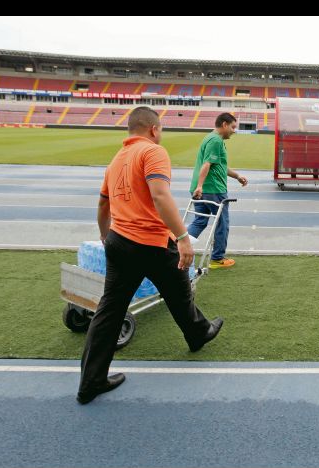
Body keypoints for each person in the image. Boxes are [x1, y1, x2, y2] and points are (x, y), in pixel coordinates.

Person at [77, 106, 224, 405]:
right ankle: (198, 334)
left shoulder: (116, 160)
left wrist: (106, 235)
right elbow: (160, 195)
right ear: (154, 129)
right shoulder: (153, 152)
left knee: (109, 311)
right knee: (179, 290)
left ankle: (90, 382)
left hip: (120, 240)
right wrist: (183, 237)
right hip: (151, 241)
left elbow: (103, 204)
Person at [188, 112, 248, 268]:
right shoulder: (215, 140)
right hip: (213, 189)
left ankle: (178, 250)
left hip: (201, 189)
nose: (234, 131)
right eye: (233, 127)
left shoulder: (209, 138)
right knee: (222, 223)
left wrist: (237, 176)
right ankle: (217, 259)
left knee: (200, 221)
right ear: (224, 125)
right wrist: (201, 185)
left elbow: (219, 165)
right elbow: (207, 164)